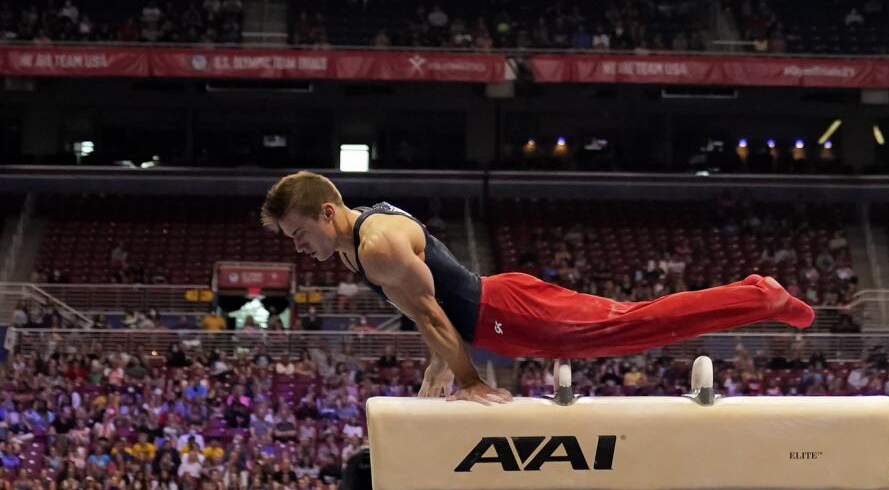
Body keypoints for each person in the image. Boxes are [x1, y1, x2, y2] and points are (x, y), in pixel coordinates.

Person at [260, 171, 816, 405]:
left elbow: (434, 315)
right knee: (637, 319)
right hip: (501, 305)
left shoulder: (374, 249)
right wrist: (437, 374)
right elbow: (432, 306)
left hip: (509, 318)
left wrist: (472, 382)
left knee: (638, 324)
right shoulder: (367, 233)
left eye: (299, 233)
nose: (299, 247)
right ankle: (753, 296)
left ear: (326, 211)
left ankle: (757, 297)